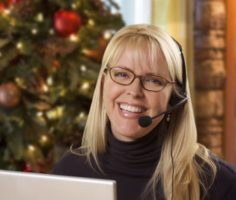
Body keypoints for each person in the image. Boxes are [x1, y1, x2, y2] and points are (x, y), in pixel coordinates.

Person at [53, 24, 236, 200]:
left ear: (175, 98)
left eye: (153, 80)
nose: (134, 91)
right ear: (103, 83)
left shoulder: (219, 184)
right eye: (122, 74)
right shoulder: (69, 171)